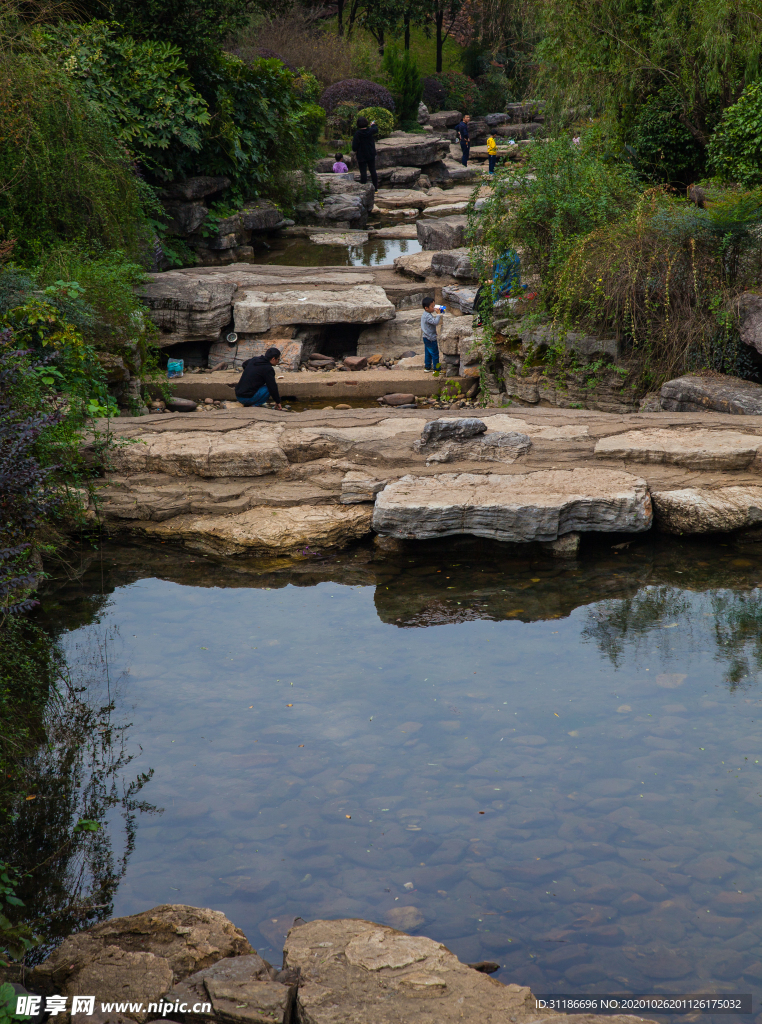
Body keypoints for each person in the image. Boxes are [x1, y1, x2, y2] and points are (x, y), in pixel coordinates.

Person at [351, 116, 379, 191]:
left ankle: (364, 189)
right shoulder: (370, 131)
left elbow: (354, 147)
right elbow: (375, 129)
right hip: (371, 154)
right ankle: (375, 188)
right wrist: (373, 124)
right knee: (373, 170)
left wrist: (356, 150)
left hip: (361, 155)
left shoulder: (357, 134)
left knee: (363, 172)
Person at [420, 297, 444, 372]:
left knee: (428, 353)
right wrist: (438, 314)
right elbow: (435, 322)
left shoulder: (425, 314)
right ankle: (437, 370)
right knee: (435, 353)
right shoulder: (428, 316)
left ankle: (427, 367)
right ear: (426, 308)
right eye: (432, 306)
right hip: (430, 338)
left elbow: (429, 326)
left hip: (426, 337)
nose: (434, 308)